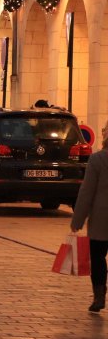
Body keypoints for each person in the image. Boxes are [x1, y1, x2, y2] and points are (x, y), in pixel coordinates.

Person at [70, 129, 108, 313]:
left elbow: (87, 192)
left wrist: (77, 220)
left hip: (102, 218)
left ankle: (99, 296)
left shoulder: (98, 159)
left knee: (98, 257)